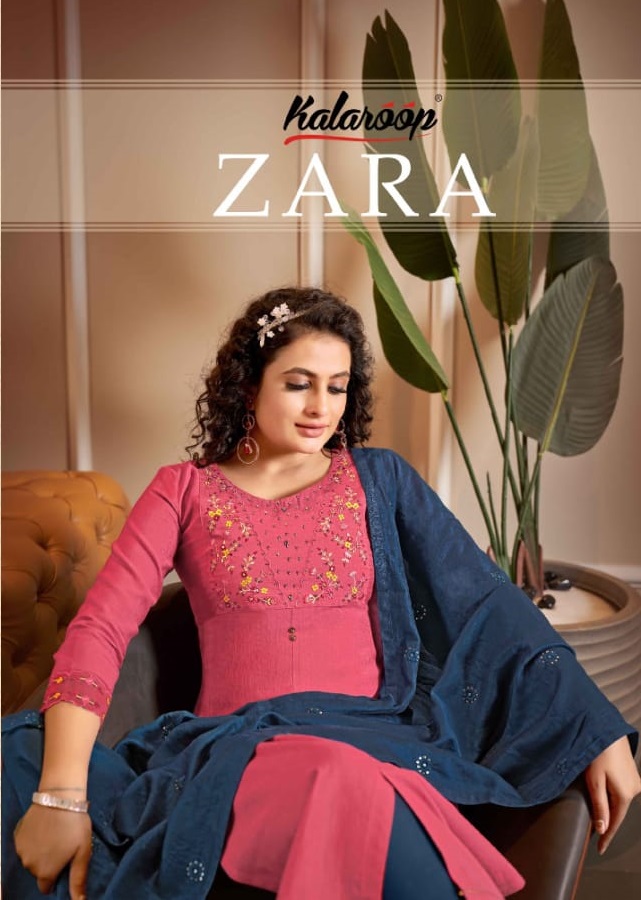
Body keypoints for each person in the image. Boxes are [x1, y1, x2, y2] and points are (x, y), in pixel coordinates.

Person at [2, 286, 640, 900]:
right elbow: (102, 628)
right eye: (298, 383)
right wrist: (61, 796)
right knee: (20, 748)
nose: (321, 407)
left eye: (337, 387)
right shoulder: (184, 491)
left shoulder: (379, 479)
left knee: (344, 776)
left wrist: (595, 723)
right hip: (239, 747)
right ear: (249, 385)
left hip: (374, 739)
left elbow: (487, 600)